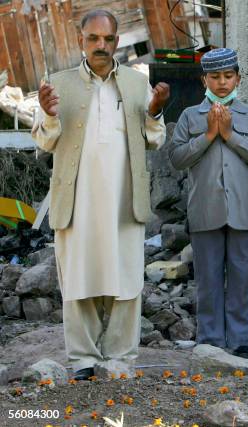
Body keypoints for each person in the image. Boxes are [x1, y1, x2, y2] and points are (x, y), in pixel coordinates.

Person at [32, 9, 169, 380]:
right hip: (76, 203)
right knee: (78, 279)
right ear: (81, 41)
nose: (101, 46)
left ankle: (120, 359)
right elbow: (44, 141)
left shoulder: (137, 85)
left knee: (125, 279)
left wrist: (155, 112)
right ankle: (82, 360)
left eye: (108, 40)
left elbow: (155, 140)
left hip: (124, 202)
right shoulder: (58, 84)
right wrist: (47, 115)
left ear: (117, 42)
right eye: (93, 39)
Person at [169, 48, 248, 361]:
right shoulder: (190, 117)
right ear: (205, 80)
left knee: (242, 279)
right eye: (215, 77)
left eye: (228, 76)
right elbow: (177, 157)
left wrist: (229, 135)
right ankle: (211, 339)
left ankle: (241, 341)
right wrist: (209, 134)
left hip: (244, 213)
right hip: (205, 211)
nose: (222, 83)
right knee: (208, 279)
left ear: (238, 78)